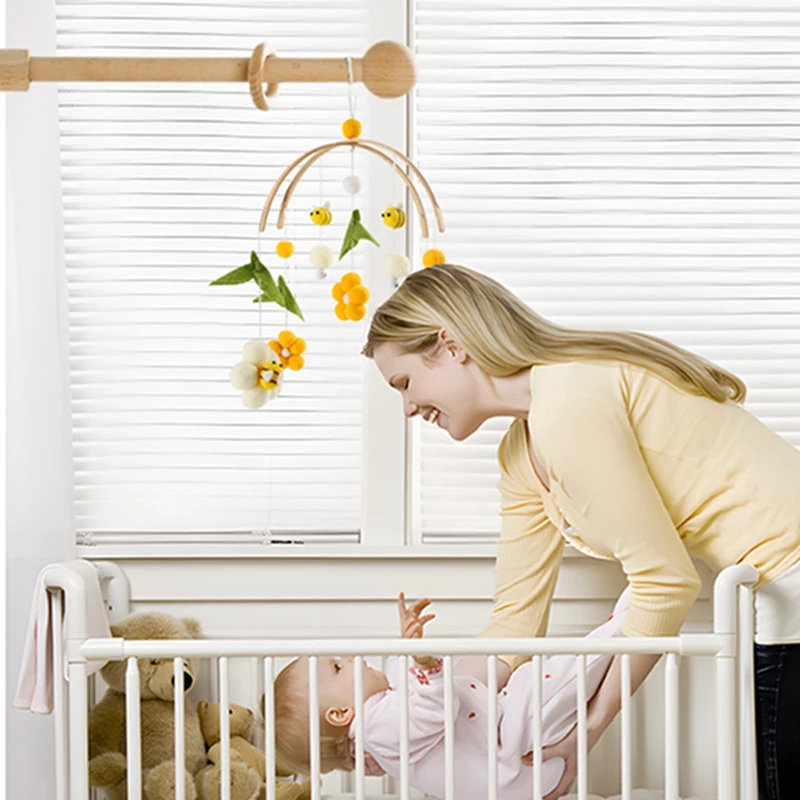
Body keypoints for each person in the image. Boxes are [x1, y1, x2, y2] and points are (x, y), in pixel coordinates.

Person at [362, 263, 800, 800]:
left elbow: (665, 583)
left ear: (451, 345)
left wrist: (587, 729)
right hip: (775, 592)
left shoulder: (567, 403)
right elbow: (514, 624)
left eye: (405, 383)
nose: (407, 408)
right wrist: (420, 711)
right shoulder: (521, 456)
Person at [271, 591, 630, 799]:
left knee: (552, 674)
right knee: (575, 666)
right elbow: (434, 706)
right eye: (338, 668)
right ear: (340, 714)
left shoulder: (377, 729)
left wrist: (407, 647)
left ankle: (626, 622)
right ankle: (633, 615)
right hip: (518, 750)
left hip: (514, 756)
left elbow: (405, 689)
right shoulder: (380, 726)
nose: (352, 660)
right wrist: (425, 663)